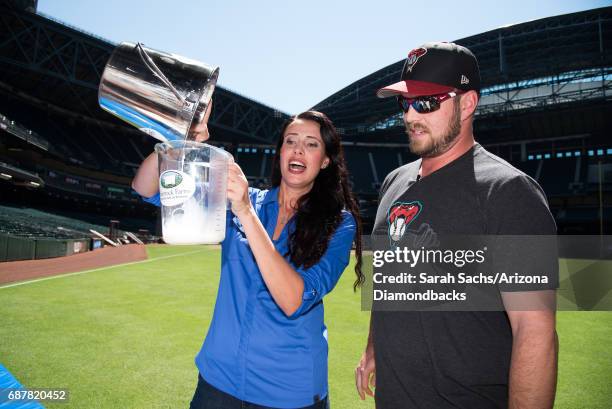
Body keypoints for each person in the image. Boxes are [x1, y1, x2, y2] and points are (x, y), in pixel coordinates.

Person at [355, 42, 558, 408]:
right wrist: (374, 345)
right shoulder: (393, 182)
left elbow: (535, 331)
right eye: (405, 103)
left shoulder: (509, 192)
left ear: (467, 103)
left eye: (427, 101)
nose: (411, 116)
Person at [132, 107, 363, 409]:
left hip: (288, 393)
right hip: (218, 383)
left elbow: (293, 299)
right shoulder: (244, 199)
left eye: (311, 144)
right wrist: (184, 142)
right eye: (290, 141)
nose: (298, 150)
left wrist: (245, 212)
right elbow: (144, 187)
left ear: (325, 161)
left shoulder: (339, 223)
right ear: (280, 151)